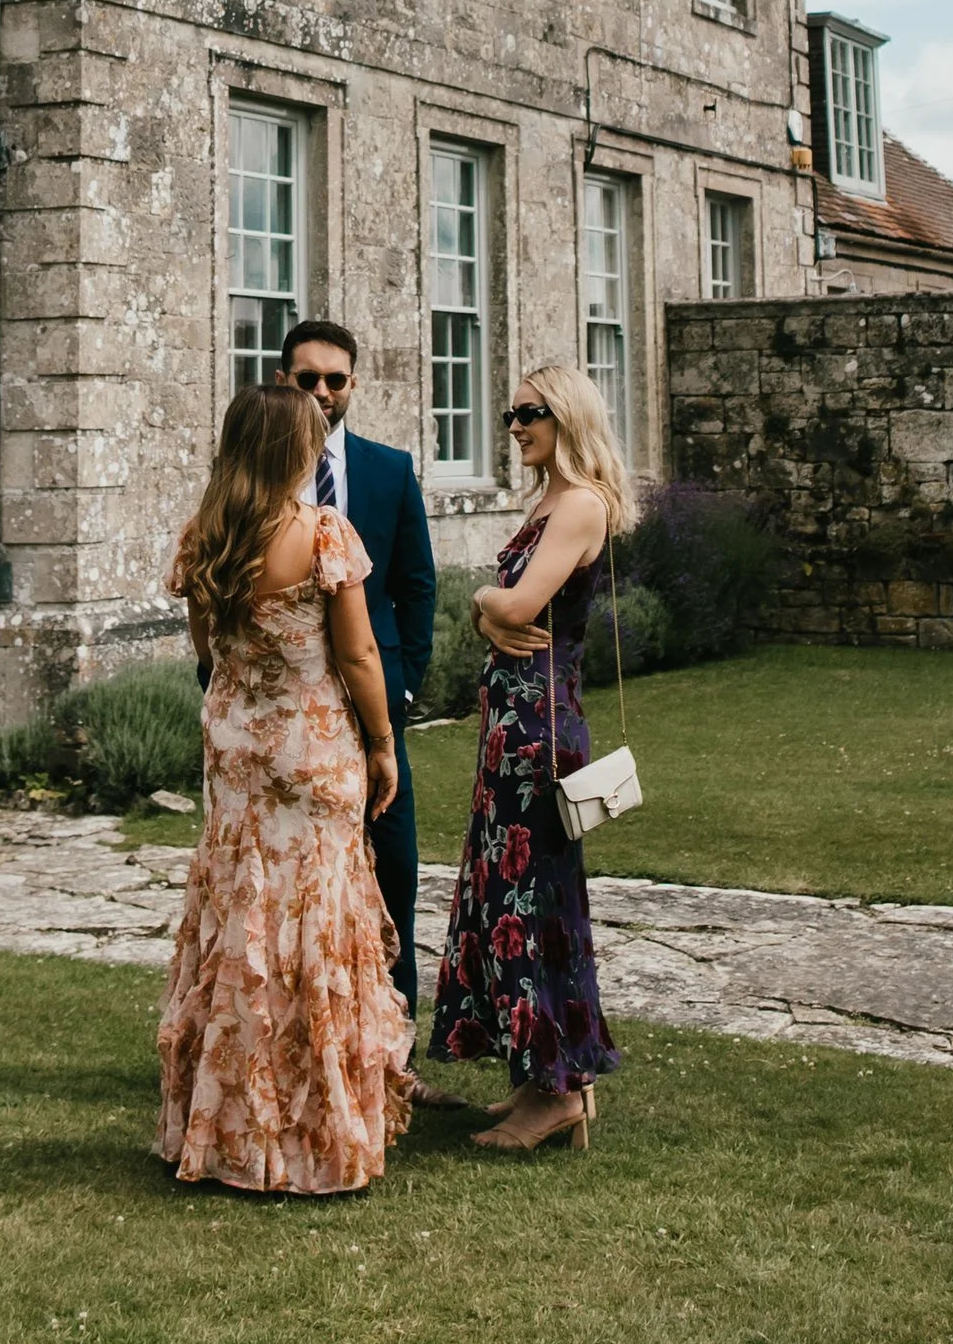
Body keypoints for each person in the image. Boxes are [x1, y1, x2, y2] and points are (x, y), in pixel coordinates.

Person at [156, 379, 415, 1196]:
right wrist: (382, 746)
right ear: (296, 449)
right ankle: (314, 1132)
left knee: (240, 919)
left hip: (235, 744)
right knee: (315, 923)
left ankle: (231, 1129)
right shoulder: (323, 534)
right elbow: (361, 656)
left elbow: (208, 650)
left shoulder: (204, 536)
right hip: (311, 747)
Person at [430, 361, 632, 1154]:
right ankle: (539, 1081)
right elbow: (509, 621)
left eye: (530, 413)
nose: (515, 426)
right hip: (512, 725)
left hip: (539, 735)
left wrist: (484, 604)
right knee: (504, 901)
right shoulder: (547, 499)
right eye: (511, 414)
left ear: (567, 416)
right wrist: (492, 622)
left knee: (532, 907)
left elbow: (515, 607)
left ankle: (557, 1096)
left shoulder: (580, 503)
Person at [279, 317, 438, 1054]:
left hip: (375, 704)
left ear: (353, 385)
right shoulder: (254, 478)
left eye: (334, 379)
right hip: (284, 719)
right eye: (306, 378)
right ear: (284, 380)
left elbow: (415, 586)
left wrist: (401, 690)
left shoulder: (387, 469)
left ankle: (394, 1045)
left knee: (391, 866)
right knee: (294, 885)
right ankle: (304, 1043)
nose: (320, 391)